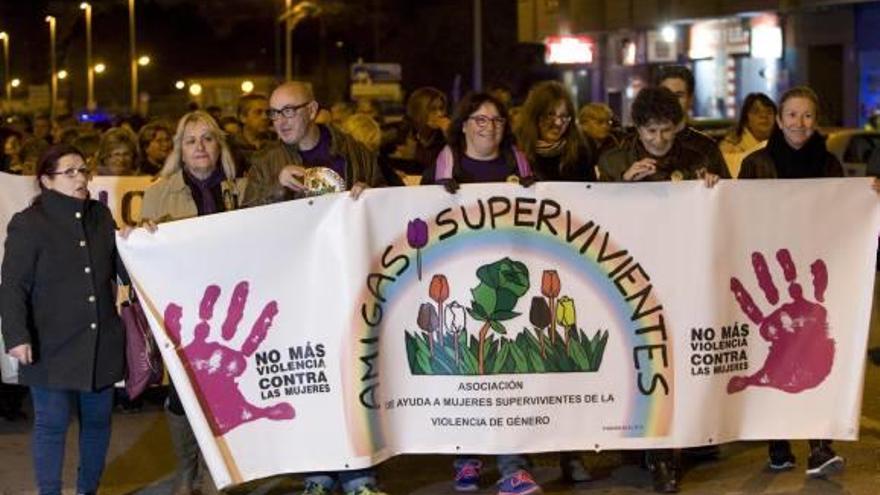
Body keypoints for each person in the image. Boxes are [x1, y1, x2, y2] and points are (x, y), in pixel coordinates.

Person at [599, 86, 720, 493]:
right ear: (638, 128)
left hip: (687, 271)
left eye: (667, 130)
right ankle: (659, 454)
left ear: (678, 125)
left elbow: (730, 202)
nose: (659, 140)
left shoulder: (700, 153)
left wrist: (713, 186)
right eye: (651, 131)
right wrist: (621, 186)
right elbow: (593, 214)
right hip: (634, 278)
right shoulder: (615, 159)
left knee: (686, 358)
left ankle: (689, 436)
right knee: (650, 360)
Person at [424, 92, 542, 495]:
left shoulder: (519, 161)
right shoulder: (446, 161)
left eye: (495, 120)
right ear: (463, 124)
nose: (487, 127)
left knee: (510, 372)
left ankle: (514, 465)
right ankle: (467, 457)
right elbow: (418, 212)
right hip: (460, 280)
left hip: (508, 284)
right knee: (466, 368)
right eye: (479, 119)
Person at [1, 144, 128, 495]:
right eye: (69, 172)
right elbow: (12, 286)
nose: (80, 177)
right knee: (51, 424)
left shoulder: (99, 215)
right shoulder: (29, 223)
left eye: (83, 170)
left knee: (98, 424)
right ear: (46, 180)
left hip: (100, 342)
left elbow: (123, 272)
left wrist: (138, 241)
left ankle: (88, 490)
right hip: (49, 344)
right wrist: (16, 336)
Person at [737, 86, 846, 478]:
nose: (800, 123)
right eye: (793, 115)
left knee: (815, 354)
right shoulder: (756, 163)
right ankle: (779, 445)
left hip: (815, 274)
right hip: (771, 273)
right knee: (777, 355)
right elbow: (740, 212)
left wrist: (868, 195)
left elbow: (844, 209)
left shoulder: (829, 163)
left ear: (816, 121)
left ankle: (820, 446)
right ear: (780, 119)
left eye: (808, 116)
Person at [140, 111, 244, 494]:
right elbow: (142, 258)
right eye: (191, 140)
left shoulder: (243, 189)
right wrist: (143, 236)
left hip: (235, 310)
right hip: (183, 314)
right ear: (179, 150)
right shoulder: (157, 193)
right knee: (182, 395)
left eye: (208, 138)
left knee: (228, 391)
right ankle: (189, 471)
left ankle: (224, 472)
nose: (200, 147)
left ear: (220, 146)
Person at [244, 81, 384, 207]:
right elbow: (246, 219)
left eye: (288, 111)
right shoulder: (264, 162)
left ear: (311, 110)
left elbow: (385, 207)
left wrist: (371, 197)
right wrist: (277, 189)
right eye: (274, 113)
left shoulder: (356, 152)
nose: (280, 122)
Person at [656, 65, 730, 178]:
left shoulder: (707, 148)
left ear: (690, 100)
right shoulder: (638, 147)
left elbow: (726, 191)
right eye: (666, 95)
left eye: (678, 95)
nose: (671, 101)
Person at [516, 80, 595, 181]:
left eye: (564, 116)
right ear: (535, 115)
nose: (558, 123)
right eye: (550, 115)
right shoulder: (516, 150)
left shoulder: (581, 150)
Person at [719, 93, 777, 178]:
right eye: (756, 111)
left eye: (769, 112)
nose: (764, 116)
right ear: (746, 118)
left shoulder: (782, 144)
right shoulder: (730, 147)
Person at [229, 93, 272, 177]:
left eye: (267, 112)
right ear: (242, 117)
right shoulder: (230, 147)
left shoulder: (275, 145)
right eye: (258, 112)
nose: (265, 117)